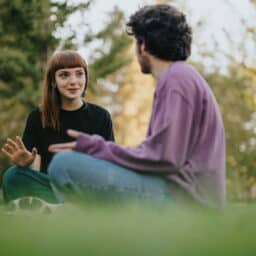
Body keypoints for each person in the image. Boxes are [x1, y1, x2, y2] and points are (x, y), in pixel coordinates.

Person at [48, 4, 226, 208]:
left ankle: (79, 223)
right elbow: (163, 155)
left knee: (63, 165)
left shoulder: (177, 78)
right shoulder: (182, 77)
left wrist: (97, 147)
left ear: (143, 46)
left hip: (184, 200)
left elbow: (164, 157)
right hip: (182, 194)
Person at [1, 50, 114, 206]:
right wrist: (27, 164)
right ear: (53, 81)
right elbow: (36, 168)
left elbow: (108, 165)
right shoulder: (37, 117)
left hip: (87, 190)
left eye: (79, 74)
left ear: (86, 78)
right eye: (64, 75)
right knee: (13, 176)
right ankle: (64, 210)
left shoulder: (101, 116)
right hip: (51, 189)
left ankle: (69, 210)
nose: (73, 81)